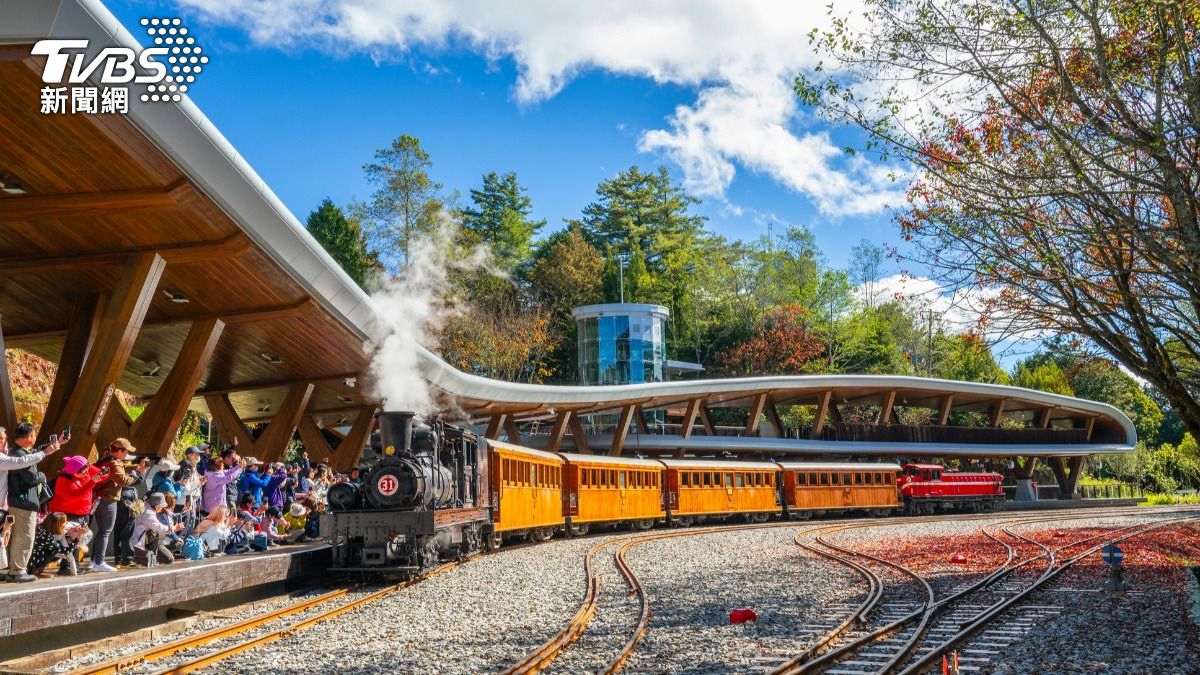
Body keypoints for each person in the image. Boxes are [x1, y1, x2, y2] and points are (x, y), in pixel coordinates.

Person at [5, 422, 62, 582]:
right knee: (24, 537)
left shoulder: (17, 453)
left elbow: (34, 453)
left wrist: (52, 446)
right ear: (29, 437)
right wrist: (43, 476)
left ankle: (14, 569)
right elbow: (32, 477)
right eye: (33, 435)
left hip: (19, 502)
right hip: (24, 503)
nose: (34, 438)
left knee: (17, 536)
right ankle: (17, 571)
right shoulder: (20, 456)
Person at [92, 439, 149, 573]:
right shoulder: (113, 463)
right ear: (118, 451)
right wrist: (138, 473)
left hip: (100, 499)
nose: (126, 454)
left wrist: (136, 466)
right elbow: (123, 480)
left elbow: (121, 467)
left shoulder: (106, 458)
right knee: (105, 531)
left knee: (101, 531)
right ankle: (99, 562)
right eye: (125, 451)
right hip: (108, 500)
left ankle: (94, 560)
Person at [48, 455, 104, 527]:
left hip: (83, 513)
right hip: (68, 515)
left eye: (86, 470)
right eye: (81, 473)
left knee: (81, 536)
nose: (85, 473)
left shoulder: (84, 469)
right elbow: (74, 497)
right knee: (67, 537)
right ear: (73, 472)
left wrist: (103, 472)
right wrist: (92, 482)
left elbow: (103, 477)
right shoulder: (63, 480)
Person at [28, 512, 83, 577]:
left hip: (31, 555)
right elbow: (66, 551)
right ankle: (37, 570)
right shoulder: (47, 538)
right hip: (33, 559)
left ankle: (36, 569)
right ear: (57, 524)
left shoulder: (43, 527)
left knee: (55, 548)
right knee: (55, 549)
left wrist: (68, 531)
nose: (66, 524)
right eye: (64, 523)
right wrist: (78, 537)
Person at [131, 493, 179, 565]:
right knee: (154, 533)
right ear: (157, 506)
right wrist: (172, 528)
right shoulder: (148, 513)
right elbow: (159, 527)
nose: (162, 508)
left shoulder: (147, 507)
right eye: (162, 506)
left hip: (145, 541)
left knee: (154, 534)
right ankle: (143, 557)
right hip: (138, 544)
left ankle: (151, 557)